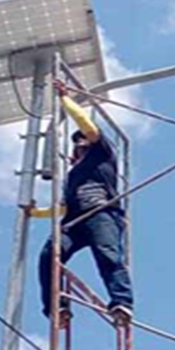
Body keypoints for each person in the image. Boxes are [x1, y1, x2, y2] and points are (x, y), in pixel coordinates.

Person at [38, 80, 134, 325]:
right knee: (50, 255)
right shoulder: (73, 176)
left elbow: (87, 125)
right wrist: (34, 212)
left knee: (108, 255)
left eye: (81, 143)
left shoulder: (101, 153)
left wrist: (65, 99)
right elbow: (62, 207)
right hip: (74, 221)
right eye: (76, 146)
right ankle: (57, 306)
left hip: (101, 213)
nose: (77, 147)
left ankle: (122, 302)